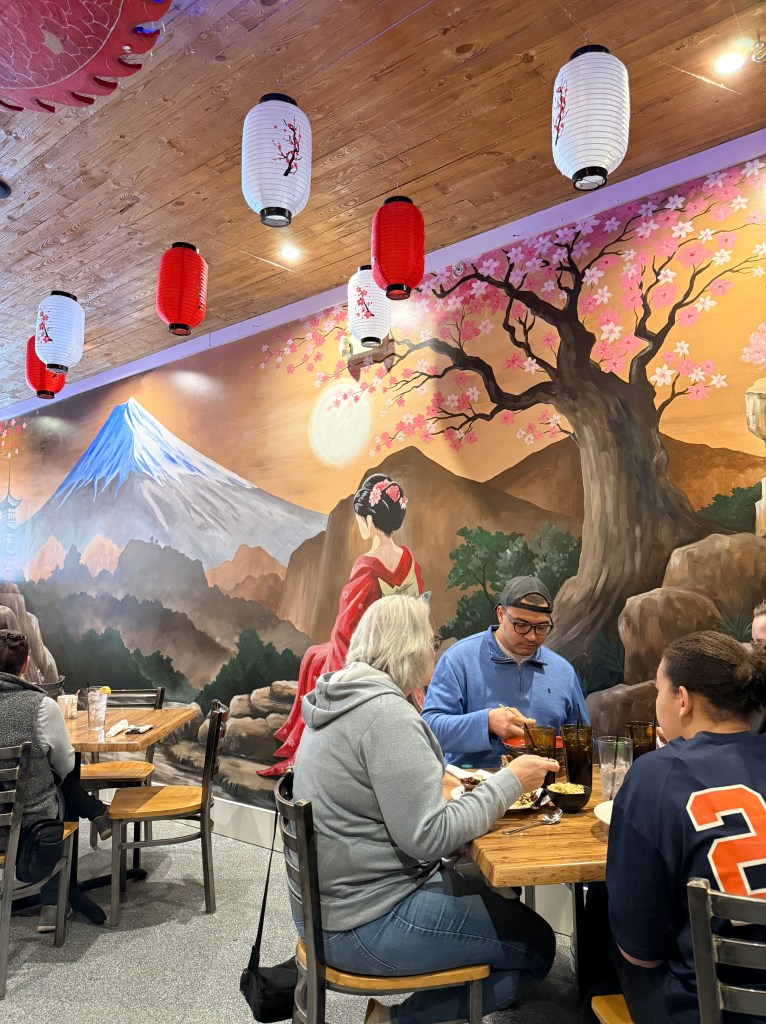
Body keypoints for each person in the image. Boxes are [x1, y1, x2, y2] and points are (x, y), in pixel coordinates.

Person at [289, 594, 558, 1024]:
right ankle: (396, 1021)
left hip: (327, 910)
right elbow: (428, 837)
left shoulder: (339, 696)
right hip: (363, 924)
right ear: (410, 646)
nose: (435, 648)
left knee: (484, 893)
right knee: (538, 947)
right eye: (431, 640)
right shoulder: (386, 716)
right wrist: (511, 781)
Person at [605, 631, 766, 1024]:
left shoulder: (655, 775)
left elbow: (641, 953)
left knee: (603, 926)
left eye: (658, 690)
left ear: (683, 699)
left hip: (711, 1010)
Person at [260, 473, 424, 777]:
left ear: (369, 520)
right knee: (317, 654)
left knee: (314, 657)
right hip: (401, 652)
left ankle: (310, 743)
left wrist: (340, 668)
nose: (360, 523)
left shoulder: (368, 564)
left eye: (361, 518)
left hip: (370, 654)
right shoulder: (408, 560)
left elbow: (347, 627)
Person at [0, 630, 111, 932]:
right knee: (59, 785)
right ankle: (54, 902)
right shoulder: (41, 706)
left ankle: (96, 812)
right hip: (32, 830)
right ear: (25, 665)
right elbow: (66, 764)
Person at [422, 576, 588, 768]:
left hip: (545, 781)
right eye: (521, 625)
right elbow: (430, 730)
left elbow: (582, 739)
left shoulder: (563, 671)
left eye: (541, 627)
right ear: (501, 614)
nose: (531, 636)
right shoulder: (459, 659)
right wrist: (487, 723)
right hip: (474, 784)